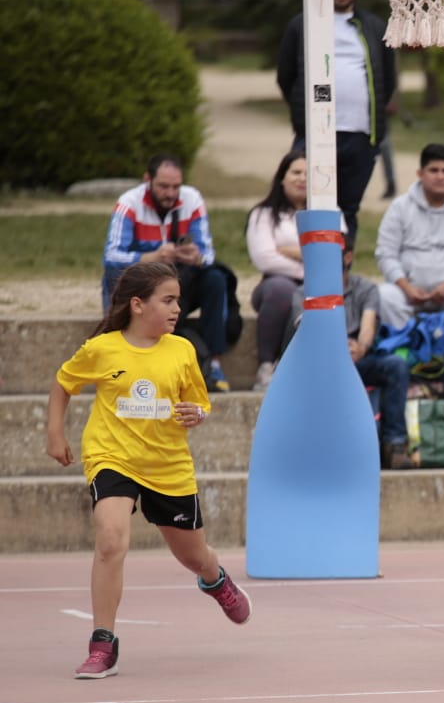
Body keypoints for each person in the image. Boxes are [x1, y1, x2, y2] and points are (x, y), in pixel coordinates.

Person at [46, 261, 252, 679]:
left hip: (167, 464)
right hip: (112, 457)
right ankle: (103, 644)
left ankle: (214, 579)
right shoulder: (102, 348)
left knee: (192, 556)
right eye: (169, 300)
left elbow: (199, 403)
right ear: (138, 305)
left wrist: (199, 413)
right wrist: (55, 433)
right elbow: (64, 383)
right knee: (110, 542)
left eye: (179, 299)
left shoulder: (182, 350)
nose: (178, 308)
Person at [276, 0, 397, 240]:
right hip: (314, 135)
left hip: (360, 135)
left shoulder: (375, 27)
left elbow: (388, 78)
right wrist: (302, 111)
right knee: (308, 207)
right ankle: (304, 274)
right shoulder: (302, 24)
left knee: (348, 210)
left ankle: (342, 278)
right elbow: (286, 76)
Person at [102, 154, 235, 393]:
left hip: (179, 283)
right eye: (163, 186)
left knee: (216, 279)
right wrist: (151, 258)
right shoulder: (129, 204)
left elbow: (209, 254)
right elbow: (111, 257)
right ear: (147, 180)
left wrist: (196, 257)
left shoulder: (192, 199)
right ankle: (124, 363)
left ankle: (214, 362)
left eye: (175, 186)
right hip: (138, 287)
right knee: (116, 284)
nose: (170, 193)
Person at [284, 237, 414, 471]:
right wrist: (335, 350)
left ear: (348, 257)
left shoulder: (366, 288)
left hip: (358, 358)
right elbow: (306, 332)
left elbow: (368, 324)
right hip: (321, 363)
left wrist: (360, 348)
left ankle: (394, 445)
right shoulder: (303, 293)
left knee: (395, 365)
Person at [376, 143, 444, 330]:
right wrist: (407, 288)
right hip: (407, 292)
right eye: (433, 170)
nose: (440, 176)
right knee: (383, 295)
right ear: (420, 174)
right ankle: (405, 346)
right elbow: (385, 254)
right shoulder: (400, 207)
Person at [245, 149, 314, 391]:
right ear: (282, 177)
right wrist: (309, 259)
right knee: (283, 291)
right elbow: (265, 258)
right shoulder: (262, 214)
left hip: (316, 286)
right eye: (296, 172)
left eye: (309, 173)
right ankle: (266, 367)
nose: (302, 178)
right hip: (273, 285)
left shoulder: (329, 213)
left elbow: (338, 253)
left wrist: (289, 250)